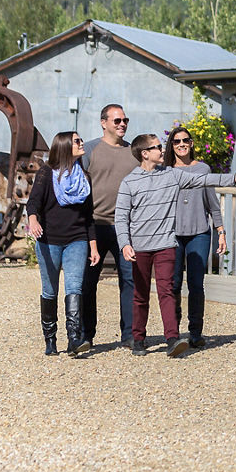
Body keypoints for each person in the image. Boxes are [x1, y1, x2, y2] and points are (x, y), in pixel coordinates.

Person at [115, 134, 236, 357]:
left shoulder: (172, 175)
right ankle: (138, 338)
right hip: (139, 246)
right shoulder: (129, 182)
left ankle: (172, 338)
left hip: (166, 244)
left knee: (166, 290)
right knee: (140, 293)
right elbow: (121, 217)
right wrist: (125, 244)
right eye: (157, 147)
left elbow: (205, 180)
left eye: (161, 145)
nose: (162, 149)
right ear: (145, 154)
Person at [26, 131, 101, 356]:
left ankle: (74, 339)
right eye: (77, 141)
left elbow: (88, 215)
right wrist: (33, 221)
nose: (81, 143)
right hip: (49, 241)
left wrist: (93, 245)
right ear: (65, 146)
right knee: (50, 290)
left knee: (75, 288)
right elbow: (33, 203)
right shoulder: (46, 173)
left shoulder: (84, 177)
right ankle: (50, 339)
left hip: (77, 241)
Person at [163, 126, 227, 348]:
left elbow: (213, 204)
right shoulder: (165, 171)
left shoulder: (203, 169)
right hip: (172, 234)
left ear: (191, 144)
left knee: (196, 283)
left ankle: (195, 331)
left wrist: (221, 232)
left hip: (199, 232)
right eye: (176, 141)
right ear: (171, 145)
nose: (181, 144)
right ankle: (174, 332)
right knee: (173, 284)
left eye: (185, 140)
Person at [82, 104, 139, 349]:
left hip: (126, 227)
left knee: (130, 281)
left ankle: (129, 334)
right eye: (117, 121)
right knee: (87, 282)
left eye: (125, 120)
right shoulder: (90, 151)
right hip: (95, 225)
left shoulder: (135, 153)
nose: (122, 124)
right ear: (103, 123)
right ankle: (86, 335)